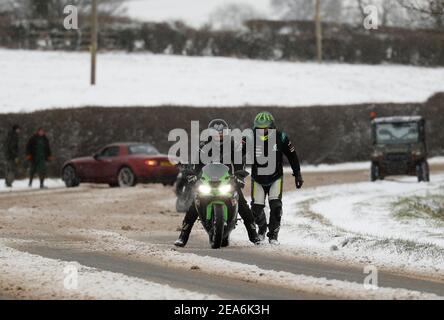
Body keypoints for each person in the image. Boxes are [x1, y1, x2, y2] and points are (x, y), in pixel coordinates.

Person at [174, 119, 260, 247]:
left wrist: (239, 176)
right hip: (207, 181)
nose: (219, 135)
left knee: (243, 205)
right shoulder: (204, 146)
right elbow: (195, 165)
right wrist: (192, 176)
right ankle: (183, 236)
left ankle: (254, 236)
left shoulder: (233, 145)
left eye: (222, 132)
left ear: (226, 133)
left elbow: (239, 165)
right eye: (216, 132)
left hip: (227, 181)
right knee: (193, 207)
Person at [250, 111, 304, 244]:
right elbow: (238, 154)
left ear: (272, 128)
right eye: (259, 129)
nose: (262, 132)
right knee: (256, 208)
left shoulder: (282, 137)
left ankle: (273, 235)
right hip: (257, 179)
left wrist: (297, 174)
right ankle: (262, 228)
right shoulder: (249, 137)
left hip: (275, 178)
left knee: (276, 206)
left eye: (266, 129)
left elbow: (293, 156)